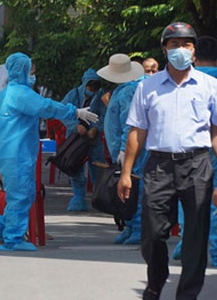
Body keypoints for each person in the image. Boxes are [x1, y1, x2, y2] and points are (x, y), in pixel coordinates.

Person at [117, 22, 217, 300]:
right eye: (174, 44)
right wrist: (126, 172)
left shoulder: (210, 86)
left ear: (194, 51)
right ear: (165, 50)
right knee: (152, 233)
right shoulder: (147, 87)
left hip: (197, 165)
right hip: (158, 166)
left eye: (186, 44)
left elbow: (216, 134)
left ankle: (187, 294)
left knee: (196, 235)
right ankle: (156, 280)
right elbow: (137, 132)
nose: (180, 49)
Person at [0, 52, 98, 251]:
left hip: (7, 151)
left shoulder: (4, 93)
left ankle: (3, 227)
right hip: (19, 152)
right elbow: (46, 107)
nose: (32, 76)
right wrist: (75, 112)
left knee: (17, 193)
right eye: (31, 72)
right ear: (23, 71)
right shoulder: (22, 94)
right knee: (22, 194)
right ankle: (13, 239)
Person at [172, 35, 217, 265]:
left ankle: (186, 243)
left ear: (194, 57)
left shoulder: (182, 83)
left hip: (190, 151)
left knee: (188, 198)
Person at [97, 53, 145, 245]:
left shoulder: (128, 92)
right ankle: (131, 226)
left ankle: (138, 228)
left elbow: (129, 124)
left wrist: (125, 150)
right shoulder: (123, 90)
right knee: (127, 188)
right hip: (122, 149)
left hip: (130, 150)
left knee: (133, 187)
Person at [61, 68, 106, 211]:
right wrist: (75, 126)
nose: (92, 89)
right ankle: (78, 198)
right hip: (75, 139)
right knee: (75, 167)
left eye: (95, 86)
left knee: (98, 168)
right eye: (90, 85)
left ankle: (100, 198)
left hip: (94, 139)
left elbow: (105, 115)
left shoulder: (101, 95)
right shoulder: (73, 94)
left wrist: (96, 128)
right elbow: (62, 111)